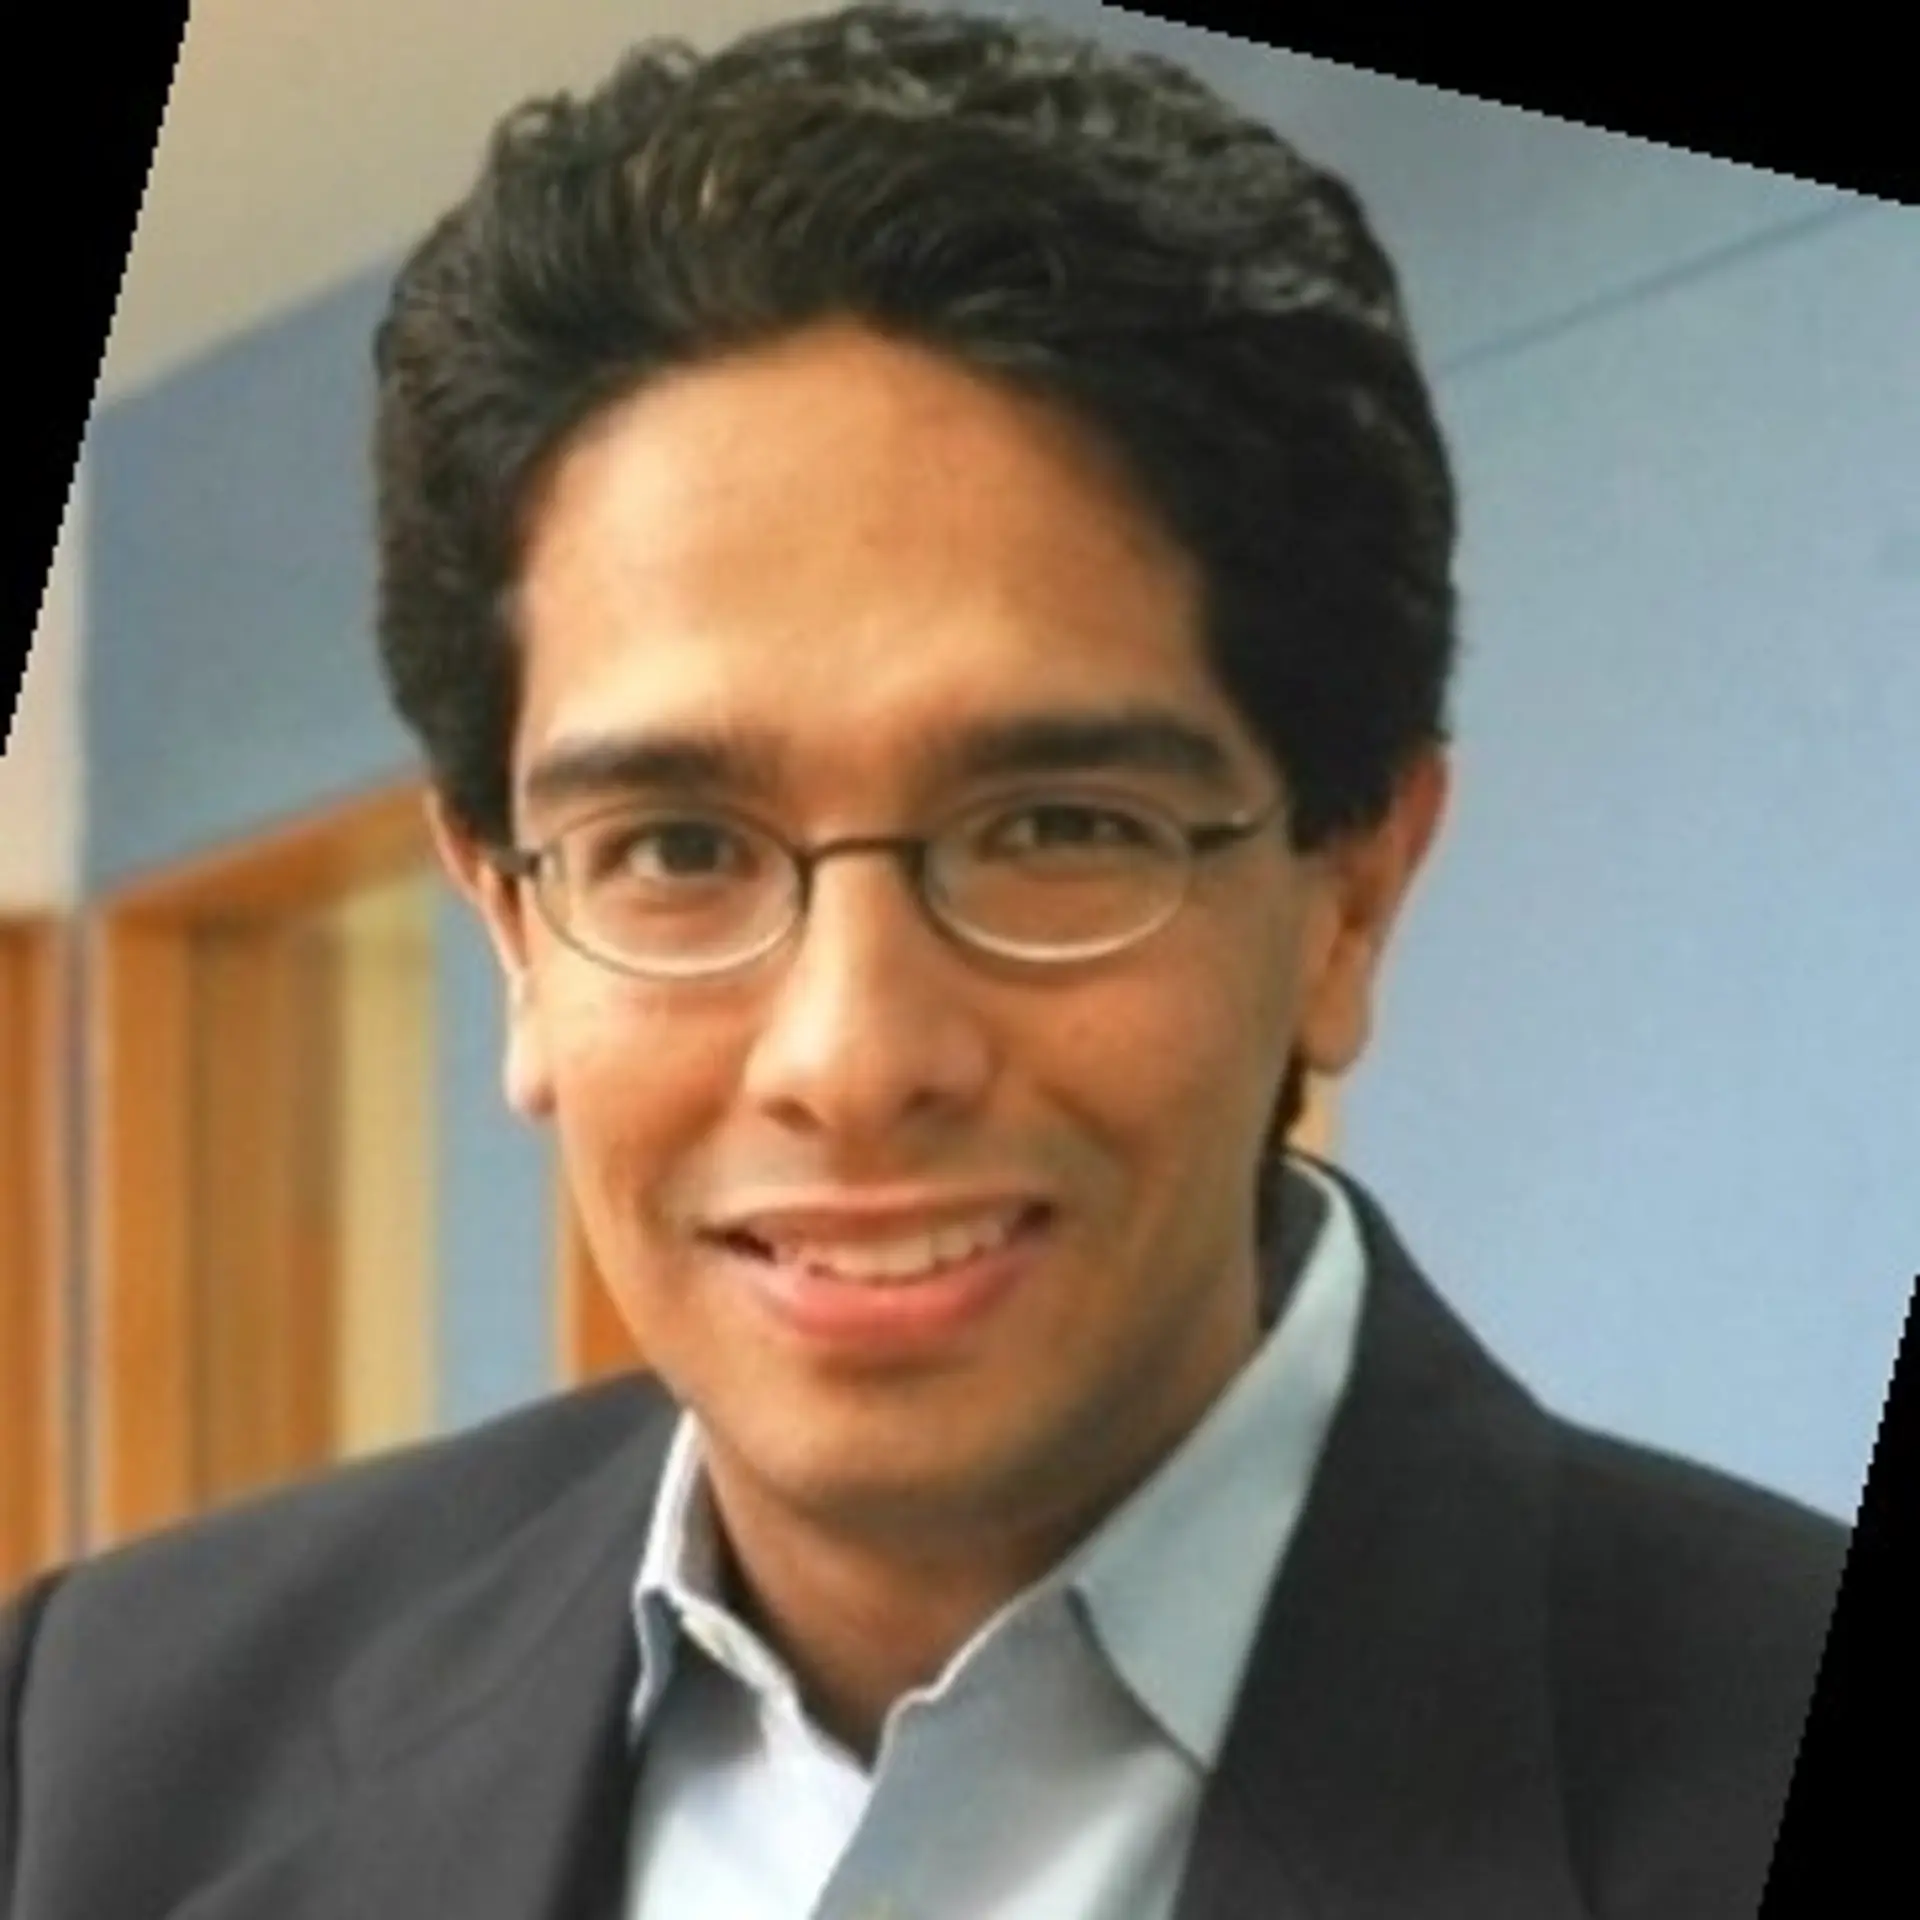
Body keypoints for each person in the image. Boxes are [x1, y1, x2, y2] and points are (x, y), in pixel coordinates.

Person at [1, 7, 1844, 1916]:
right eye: (680, 851)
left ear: (1350, 893)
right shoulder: (107, 1752)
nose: (853, 1055)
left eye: (1055, 829)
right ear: (513, 927)